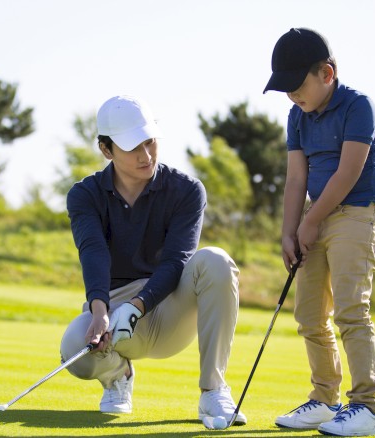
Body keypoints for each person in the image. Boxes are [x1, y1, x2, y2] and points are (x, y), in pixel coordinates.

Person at [59, 94, 247, 428]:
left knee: (215, 260)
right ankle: (119, 374)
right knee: (75, 348)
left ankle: (214, 390)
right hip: (116, 309)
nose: (146, 156)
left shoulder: (187, 190)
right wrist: (101, 312)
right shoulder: (84, 195)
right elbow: (93, 252)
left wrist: (138, 305)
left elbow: (176, 261)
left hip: (170, 304)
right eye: (133, 147)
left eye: (150, 142)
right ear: (106, 149)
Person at [262, 28, 375, 437]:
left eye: (297, 85)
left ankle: (366, 407)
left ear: (327, 74)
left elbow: (348, 173)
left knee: (351, 309)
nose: (291, 95)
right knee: (310, 314)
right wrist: (288, 231)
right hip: (316, 214)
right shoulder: (297, 116)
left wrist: (309, 223)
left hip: (357, 211)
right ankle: (325, 400)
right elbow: (297, 178)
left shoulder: (359, 107)